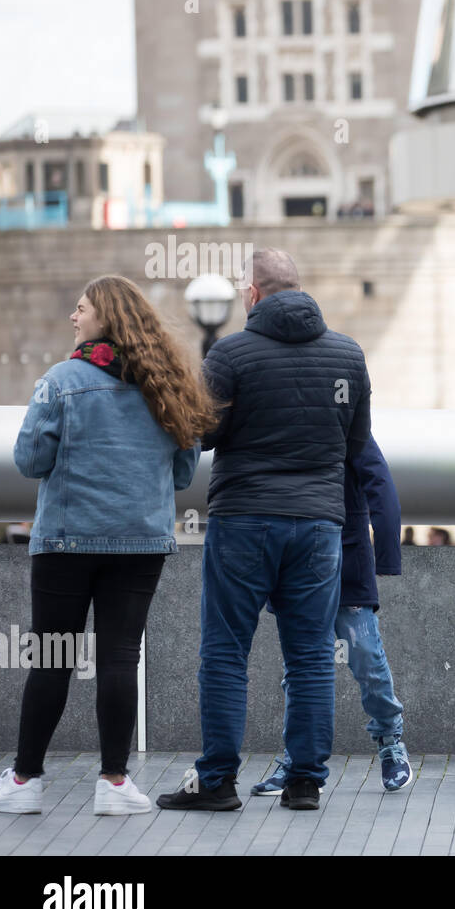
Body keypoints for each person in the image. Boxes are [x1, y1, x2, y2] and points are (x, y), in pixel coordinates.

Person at [156, 248, 372, 812]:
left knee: (226, 652)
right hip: (319, 526)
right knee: (310, 656)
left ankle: (219, 781)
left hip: (244, 522)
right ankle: (304, 782)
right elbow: (354, 444)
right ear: (299, 289)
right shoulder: (348, 355)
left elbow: (201, 434)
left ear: (252, 294)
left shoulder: (230, 354)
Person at [0, 276, 215, 816]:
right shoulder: (165, 384)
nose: (74, 317)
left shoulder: (62, 380)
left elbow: (28, 461)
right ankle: (114, 783)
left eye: (81, 308)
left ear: (105, 319)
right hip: (140, 540)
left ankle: (24, 782)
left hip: (65, 540)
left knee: (52, 657)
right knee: (120, 656)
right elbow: (185, 469)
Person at [251, 433, 411, 795]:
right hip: (295, 567)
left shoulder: (345, 422)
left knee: (367, 658)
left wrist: (387, 553)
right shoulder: (281, 420)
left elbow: (379, 480)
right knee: (300, 670)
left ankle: (390, 741)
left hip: (345, 563)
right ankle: (298, 760)